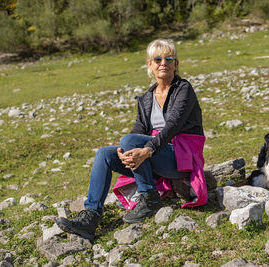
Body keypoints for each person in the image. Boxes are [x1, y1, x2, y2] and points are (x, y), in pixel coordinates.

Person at [56, 39, 206, 241]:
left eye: (169, 58)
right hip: (152, 156)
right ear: (150, 64)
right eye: (158, 59)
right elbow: (139, 129)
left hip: (179, 157)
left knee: (129, 140)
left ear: (176, 64)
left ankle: (149, 197)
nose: (164, 62)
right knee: (105, 154)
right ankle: (90, 217)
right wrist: (124, 152)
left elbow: (172, 127)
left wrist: (145, 150)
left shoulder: (183, 89)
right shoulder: (146, 99)